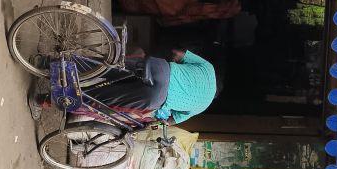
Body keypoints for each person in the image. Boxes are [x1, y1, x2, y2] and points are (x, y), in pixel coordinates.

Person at [27, 48, 218, 126]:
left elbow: (177, 53)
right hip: (155, 98)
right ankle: (45, 100)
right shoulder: (203, 106)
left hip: (160, 69)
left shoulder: (208, 68)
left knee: (104, 67)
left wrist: (171, 65)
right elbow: (169, 120)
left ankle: (47, 63)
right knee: (100, 99)